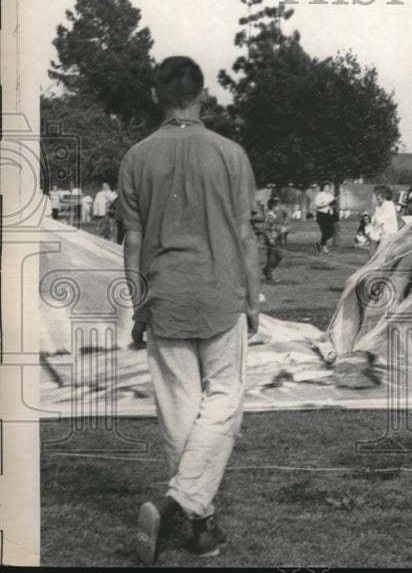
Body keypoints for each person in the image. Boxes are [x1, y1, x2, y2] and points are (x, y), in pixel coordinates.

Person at [118, 56, 260, 563]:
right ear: (204, 94)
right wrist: (253, 293)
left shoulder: (136, 157)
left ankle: (191, 515)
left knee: (179, 409)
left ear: (156, 95)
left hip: (164, 296)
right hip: (221, 292)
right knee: (223, 401)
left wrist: (136, 305)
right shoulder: (230, 153)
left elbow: (132, 241)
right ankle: (187, 509)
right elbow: (245, 233)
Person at [367, 185, 399, 256]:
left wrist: (372, 234)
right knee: (374, 257)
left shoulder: (388, 205)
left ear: (383, 195)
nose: (376, 197)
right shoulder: (380, 206)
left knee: (380, 258)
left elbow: (379, 221)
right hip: (381, 235)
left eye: (377, 195)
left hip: (388, 236)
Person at [262, 197, 285, 283]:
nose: (279, 208)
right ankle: (268, 275)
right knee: (272, 258)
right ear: (273, 206)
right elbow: (266, 229)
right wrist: (270, 238)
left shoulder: (275, 216)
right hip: (271, 241)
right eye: (278, 206)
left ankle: (267, 270)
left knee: (279, 257)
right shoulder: (270, 216)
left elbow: (276, 227)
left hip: (276, 240)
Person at [314, 182, 336, 254]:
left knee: (331, 232)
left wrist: (332, 205)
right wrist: (326, 204)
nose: (327, 188)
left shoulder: (331, 196)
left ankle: (320, 245)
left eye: (328, 187)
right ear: (323, 188)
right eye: (325, 187)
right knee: (325, 231)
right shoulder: (319, 195)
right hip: (321, 214)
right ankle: (325, 249)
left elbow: (332, 205)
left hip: (328, 214)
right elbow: (318, 206)